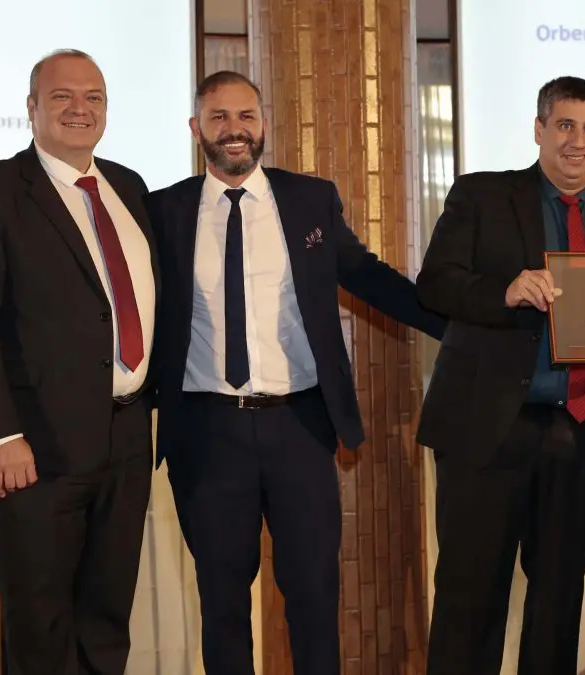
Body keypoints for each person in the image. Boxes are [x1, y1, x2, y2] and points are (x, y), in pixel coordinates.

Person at [146, 70, 445, 675]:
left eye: (246, 116)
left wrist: (461, 324)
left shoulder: (310, 200)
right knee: (222, 602)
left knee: (313, 594)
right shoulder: (162, 210)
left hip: (300, 429)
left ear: (264, 123)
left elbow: (366, 275)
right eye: (219, 117)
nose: (234, 129)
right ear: (196, 128)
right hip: (206, 432)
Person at [417, 75, 585, 675]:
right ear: (539, 130)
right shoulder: (482, 196)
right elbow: (436, 283)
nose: (579, 141)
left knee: (559, 601)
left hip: (580, 431)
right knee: (471, 596)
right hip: (488, 429)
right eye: (565, 125)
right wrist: (505, 290)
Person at [0, 49, 157, 675]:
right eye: (62, 96)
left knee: (106, 622)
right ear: (32, 107)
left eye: (94, 96)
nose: (79, 108)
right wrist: (0, 436)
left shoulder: (129, 187)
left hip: (126, 440)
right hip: (33, 449)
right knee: (41, 629)